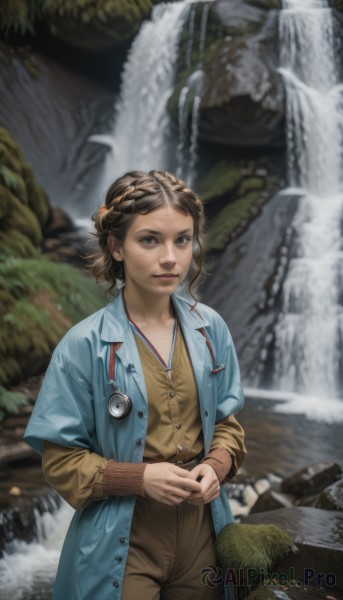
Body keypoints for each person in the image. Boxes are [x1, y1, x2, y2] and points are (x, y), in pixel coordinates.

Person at [24, 170, 246, 600]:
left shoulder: (210, 328)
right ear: (115, 246)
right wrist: (141, 478)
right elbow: (60, 461)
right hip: (123, 543)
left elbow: (228, 423)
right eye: (150, 240)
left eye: (182, 240)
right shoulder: (83, 346)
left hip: (204, 537)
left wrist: (215, 467)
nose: (171, 258)